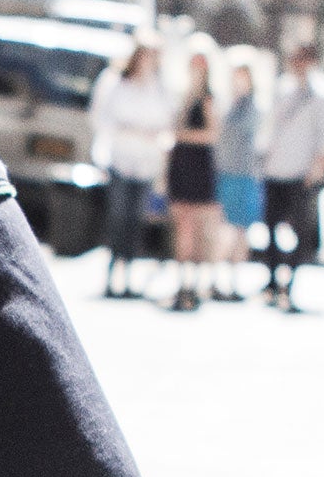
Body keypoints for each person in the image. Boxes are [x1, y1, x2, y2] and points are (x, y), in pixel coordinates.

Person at [87, 32, 170, 298]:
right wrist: (128, 131)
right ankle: (112, 274)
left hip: (145, 163)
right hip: (120, 160)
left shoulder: (160, 88)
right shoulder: (116, 83)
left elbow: (166, 123)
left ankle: (129, 275)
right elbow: (101, 118)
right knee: (118, 218)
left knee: (136, 221)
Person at [256, 42, 324, 313]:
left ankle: (289, 282)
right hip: (275, 169)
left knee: (302, 231)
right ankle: (271, 279)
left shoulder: (322, 93)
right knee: (270, 226)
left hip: (301, 173)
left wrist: (317, 169)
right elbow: (269, 127)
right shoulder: (282, 88)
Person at [163, 48, 219, 312]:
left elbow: (211, 133)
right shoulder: (183, 96)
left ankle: (194, 283)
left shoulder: (208, 98)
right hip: (181, 164)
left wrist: (182, 135)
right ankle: (181, 282)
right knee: (181, 226)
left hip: (199, 166)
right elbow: (173, 127)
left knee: (197, 227)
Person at [211, 61, 262, 302]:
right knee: (222, 228)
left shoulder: (255, 107)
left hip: (246, 174)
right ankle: (215, 279)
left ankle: (234, 280)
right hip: (224, 173)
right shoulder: (223, 104)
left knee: (241, 230)